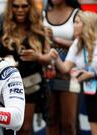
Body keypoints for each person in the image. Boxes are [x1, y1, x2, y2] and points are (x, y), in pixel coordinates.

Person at [0, 0, 53, 134]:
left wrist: (37, 57)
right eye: (16, 6)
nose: (20, 9)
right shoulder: (1, 24)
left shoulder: (37, 26)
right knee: (8, 127)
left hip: (30, 82)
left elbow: (48, 58)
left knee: (25, 128)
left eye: (24, 6)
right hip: (6, 82)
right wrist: (4, 60)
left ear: (30, 7)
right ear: (10, 7)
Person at [50, 11, 97, 135]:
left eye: (76, 22)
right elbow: (65, 68)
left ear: (87, 25)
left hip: (91, 83)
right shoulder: (77, 44)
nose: (73, 26)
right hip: (90, 91)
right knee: (94, 127)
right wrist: (55, 57)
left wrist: (92, 75)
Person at [43, 0, 81, 134]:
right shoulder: (43, 14)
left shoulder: (77, 14)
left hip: (70, 72)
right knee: (51, 118)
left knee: (68, 122)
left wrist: (56, 40)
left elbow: (83, 43)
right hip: (47, 71)